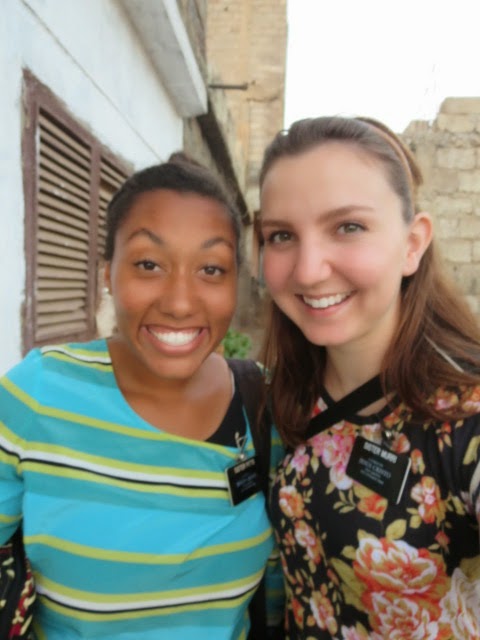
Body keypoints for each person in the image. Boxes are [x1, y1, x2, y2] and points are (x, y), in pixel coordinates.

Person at [0, 154, 284, 639]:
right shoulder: (39, 395)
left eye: (211, 268)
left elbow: (280, 589)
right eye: (148, 264)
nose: (179, 302)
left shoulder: (263, 404)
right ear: (107, 273)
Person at [257, 116, 480, 639]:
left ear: (412, 243)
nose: (308, 270)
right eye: (282, 235)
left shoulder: (464, 416)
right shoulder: (282, 395)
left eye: (348, 227)